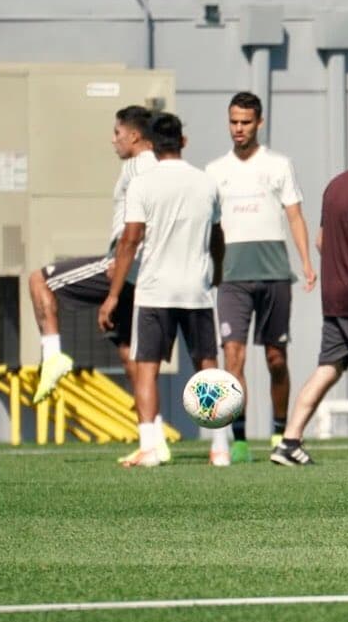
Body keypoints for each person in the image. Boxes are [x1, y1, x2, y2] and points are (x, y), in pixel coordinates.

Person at [98, 112, 229, 467]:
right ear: (183, 141)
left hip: (154, 290)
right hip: (197, 290)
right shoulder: (207, 182)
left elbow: (130, 239)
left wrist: (112, 296)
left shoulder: (143, 183)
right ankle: (220, 448)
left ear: (151, 144)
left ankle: (151, 447)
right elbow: (218, 237)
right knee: (207, 366)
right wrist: (215, 272)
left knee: (147, 368)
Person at [270, 122, 348, 466]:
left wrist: (340, 271)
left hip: (333, 297)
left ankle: (289, 443)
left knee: (328, 369)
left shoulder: (334, 186)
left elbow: (321, 241)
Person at [205, 92, 317, 463]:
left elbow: (295, 216)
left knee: (275, 359)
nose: (239, 129)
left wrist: (306, 263)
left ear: (259, 122)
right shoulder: (214, 171)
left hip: (274, 275)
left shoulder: (279, 164)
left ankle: (278, 432)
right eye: (233, 121)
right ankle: (236, 439)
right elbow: (208, 226)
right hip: (232, 278)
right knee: (232, 358)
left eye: (246, 122)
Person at [29, 105, 156, 405]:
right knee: (129, 355)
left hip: (125, 262)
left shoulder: (140, 166)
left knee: (39, 280)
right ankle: (151, 437)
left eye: (117, 133)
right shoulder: (153, 164)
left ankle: (53, 356)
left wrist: (127, 259)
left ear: (135, 136)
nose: (113, 140)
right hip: (141, 265)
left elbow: (147, 216)